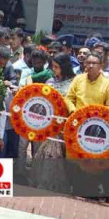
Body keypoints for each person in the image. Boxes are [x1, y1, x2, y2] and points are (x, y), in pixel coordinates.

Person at [29, 53, 75, 192]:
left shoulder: (74, 82)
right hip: (48, 124)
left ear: (64, 67)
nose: (54, 69)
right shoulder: (50, 81)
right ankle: (44, 183)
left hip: (66, 125)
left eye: (56, 67)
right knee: (47, 154)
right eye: (53, 66)